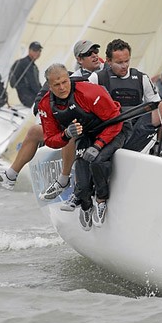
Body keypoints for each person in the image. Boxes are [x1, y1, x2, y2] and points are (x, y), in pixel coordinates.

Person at [0, 40, 104, 206]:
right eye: (89, 54)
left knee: (70, 132)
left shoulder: (109, 69)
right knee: (34, 131)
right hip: (78, 124)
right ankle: (11, 175)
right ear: (79, 59)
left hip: (98, 125)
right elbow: (46, 90)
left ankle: (63, 180)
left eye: (95, 51)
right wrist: (41, 104)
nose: (94, 55)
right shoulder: (71, 78)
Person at [40, 63, 125, 229]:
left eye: (65, 82)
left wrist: (99, 144)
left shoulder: (90, 92)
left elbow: (116, 121)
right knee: (83, 175)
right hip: (86, 134)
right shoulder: (46, 105)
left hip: (113, 129)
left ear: (69, 79)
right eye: (56, 85)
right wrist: (66, 134)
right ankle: (86, 206)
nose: (62, 88)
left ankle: (101, 201)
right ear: (50, 86)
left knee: (97, 161)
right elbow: (50, 139)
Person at [88, 39, 162, 161]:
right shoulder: (96, 78)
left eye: (127, 61)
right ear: (109, 61)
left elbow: (157, 106)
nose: (124, 65)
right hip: (111, 131)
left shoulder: (141, 78)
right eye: (119, 62)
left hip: (137, 130)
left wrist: (159, 139)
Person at [8, 41, 43, 108]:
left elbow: (36, 84)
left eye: (39, 50)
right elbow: (33, 84)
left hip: (26, 97)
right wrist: (44, 95)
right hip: (28, 97)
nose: (38, 52)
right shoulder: (26, 64)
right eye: (35, 50)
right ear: (29, 50)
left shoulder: (29, 64)